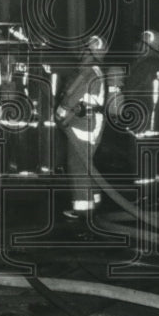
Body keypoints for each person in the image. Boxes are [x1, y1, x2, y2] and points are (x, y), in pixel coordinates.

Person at [107, 29, 159, 202]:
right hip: (157, 122)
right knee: (153, 158)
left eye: (140, 43)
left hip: (143, 121)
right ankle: (158, 194)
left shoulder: (145, 64)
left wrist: (119, 87)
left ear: (146, 45)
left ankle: (145, 196)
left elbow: (132, 91)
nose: (137, 46)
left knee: (140, 158)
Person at [55, 34, 108, 220]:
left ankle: (83, 212)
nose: (81, 52)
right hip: (91, 123)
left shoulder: (88, 71)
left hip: (83, 124)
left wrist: (61, 112)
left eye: (85, 49)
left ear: (90, 51)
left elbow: (72, 94)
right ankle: (93, 202)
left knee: (77, 165)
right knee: (87, 164)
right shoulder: (97, 70)